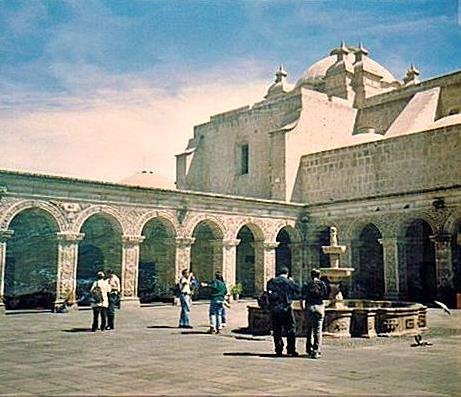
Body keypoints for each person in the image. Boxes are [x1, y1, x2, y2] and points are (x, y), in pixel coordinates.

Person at [266, 266, 301, 356]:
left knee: (276, 329)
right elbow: (298, 290)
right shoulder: (288, 282)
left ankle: (278, 348)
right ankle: (290, 349)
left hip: (275, 309)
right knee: (290, 329)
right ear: (287, 273)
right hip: (286, 309)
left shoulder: (272, 281)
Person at [301, 269, 328, 359]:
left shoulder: (307, 284)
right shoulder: (322, 284)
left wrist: (303, 308)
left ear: (311, 275)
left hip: (309, 306)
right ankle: (316, 351)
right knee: (317, 330)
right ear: (319, 275)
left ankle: (308, 349)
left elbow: (302, 297)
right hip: (319, 307)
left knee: (309, 329)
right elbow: (325, 295)